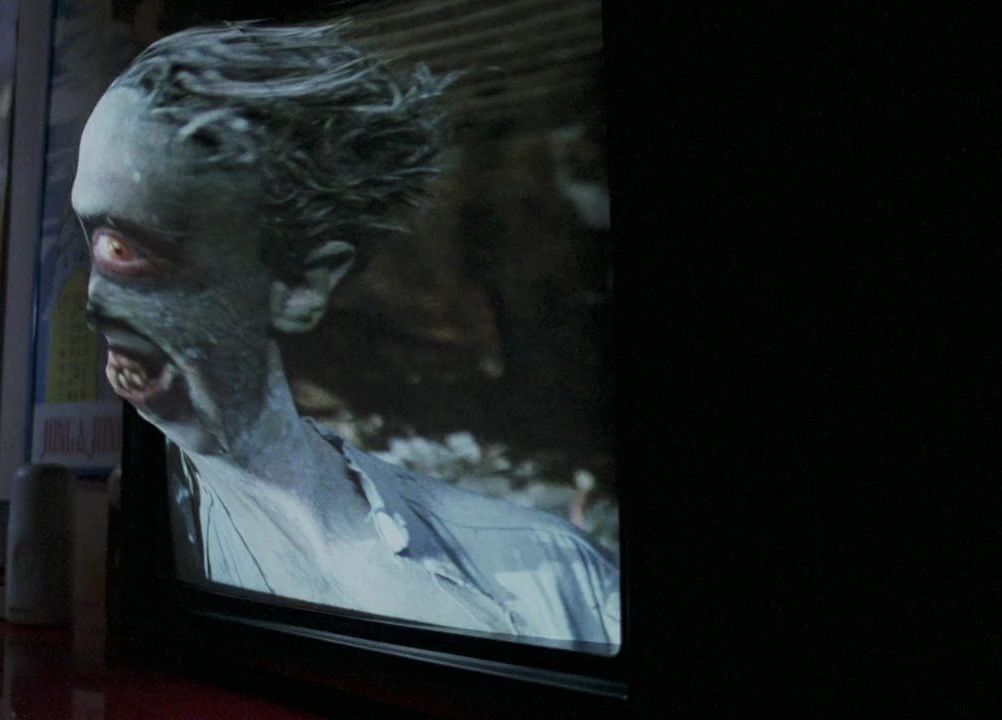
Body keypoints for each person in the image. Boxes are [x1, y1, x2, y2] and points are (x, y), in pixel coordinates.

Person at [72, 23, 619, 649]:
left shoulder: (554, 583)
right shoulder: (151, 541)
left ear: (303, 285)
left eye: (126, 250)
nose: (93, 306)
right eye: (93, 240)